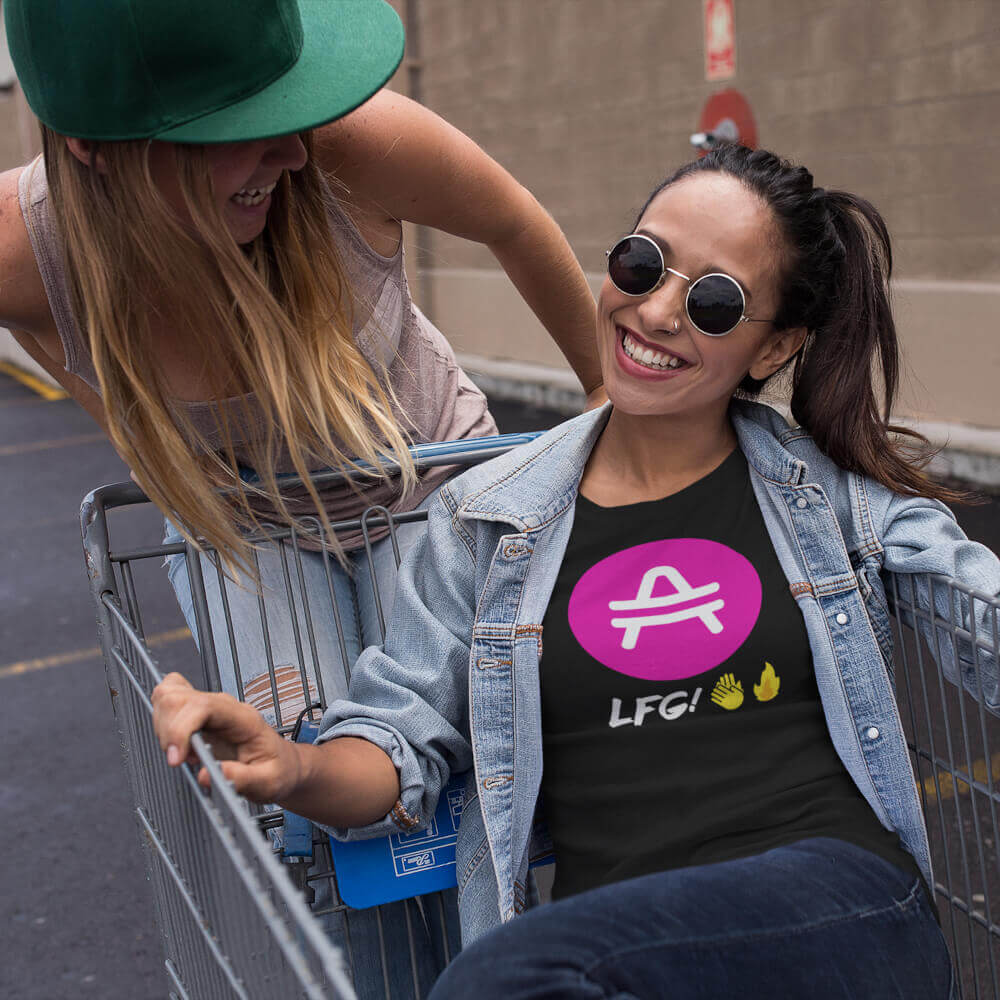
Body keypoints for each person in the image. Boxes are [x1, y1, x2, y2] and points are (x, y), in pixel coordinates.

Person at [151, 144, 998, 998]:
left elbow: (977, 607)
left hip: (833, 908)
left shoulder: (834, 502)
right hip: (619, 951)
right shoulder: (487, 519)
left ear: (775, 348)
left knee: (505, 980)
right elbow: (395, 738)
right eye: (643, 262)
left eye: (714, 302)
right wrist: (292, 768)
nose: (658, 310)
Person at [1, 1, 601, 995]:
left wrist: (607, 398)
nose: (286, 146)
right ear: (94, 149)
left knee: (462, 780)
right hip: (249, 535)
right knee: (325, 800)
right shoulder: (31, 252)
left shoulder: (344, 147)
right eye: (235, 129)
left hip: (431, 492)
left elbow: (510, 217)